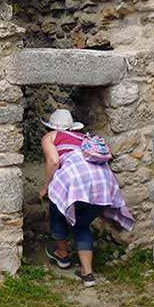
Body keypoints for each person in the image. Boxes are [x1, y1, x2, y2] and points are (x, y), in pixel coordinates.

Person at [39, 109, 134, 287]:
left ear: (51, 127)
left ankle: (62, 254)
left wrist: (46, 186)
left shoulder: (51, 136)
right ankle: (87, 273)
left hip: (77, 182)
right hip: (104, 186)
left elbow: (53, 161)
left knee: (56, 208)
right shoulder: (83, 138)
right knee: (81, 225)